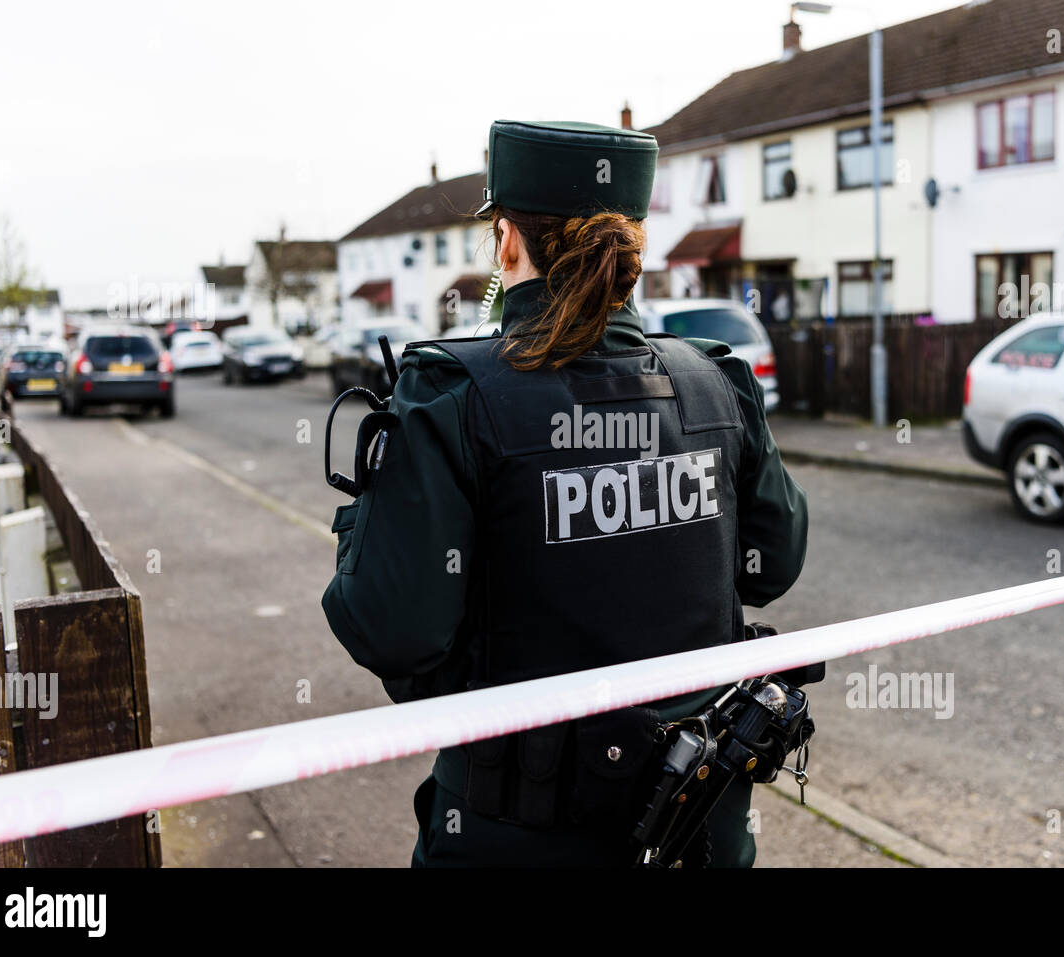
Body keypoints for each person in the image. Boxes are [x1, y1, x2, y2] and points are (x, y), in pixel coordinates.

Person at [322, 119, 808, 867]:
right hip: (698, 831)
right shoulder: (717, 379)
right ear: (633, 243)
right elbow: (770, 566)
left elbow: (392, 628)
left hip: (513, 838)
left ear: (506, 240)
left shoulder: (450, 393)